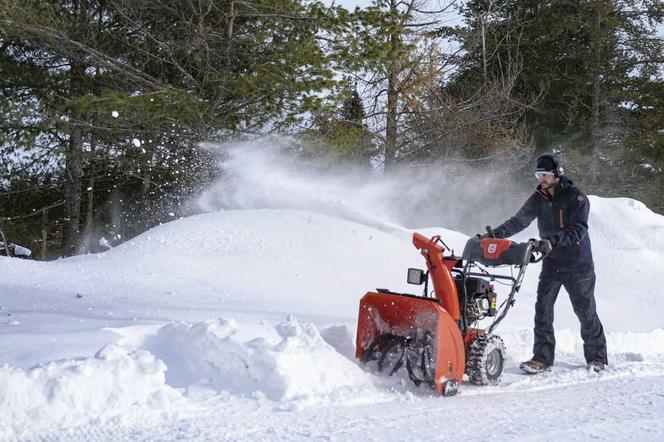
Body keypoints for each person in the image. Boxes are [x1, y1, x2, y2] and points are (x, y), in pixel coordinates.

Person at [485, 153, 607, 374]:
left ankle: (597, 357)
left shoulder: (576, 197)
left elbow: (578, 230)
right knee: (542, 310)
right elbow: (519, 220)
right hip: (551, 263)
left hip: (578, 264)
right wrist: (495, 235)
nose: (541, 179)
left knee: (585, 312)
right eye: (538, 174)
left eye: (545, 175)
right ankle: (542, 358)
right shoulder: (538, 197)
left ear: (557, 174)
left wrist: (551, 241)